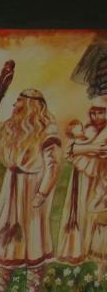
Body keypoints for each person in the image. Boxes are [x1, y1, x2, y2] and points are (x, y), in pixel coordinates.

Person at [0, 89, 62, 292]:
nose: (14, 106)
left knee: (33, 236)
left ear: (32, 107)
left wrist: (42, 193)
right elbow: (7, 143)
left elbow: (53, 166)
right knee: (5, 233)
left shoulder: (47, 131)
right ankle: (0, 285)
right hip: (12, 185)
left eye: (19, 103)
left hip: (32, 187)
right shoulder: (16, 127)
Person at [58, 97, 107, 277]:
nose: (96, 116)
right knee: (77, 213)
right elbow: (70, 150)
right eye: (93, 112)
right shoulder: (89, 129)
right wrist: (89, 148)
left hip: (99, 179)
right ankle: (76, 251)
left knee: (94, 215)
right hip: (81, 179)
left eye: (101, 112)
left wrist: (87, 148)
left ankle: (93, 256)